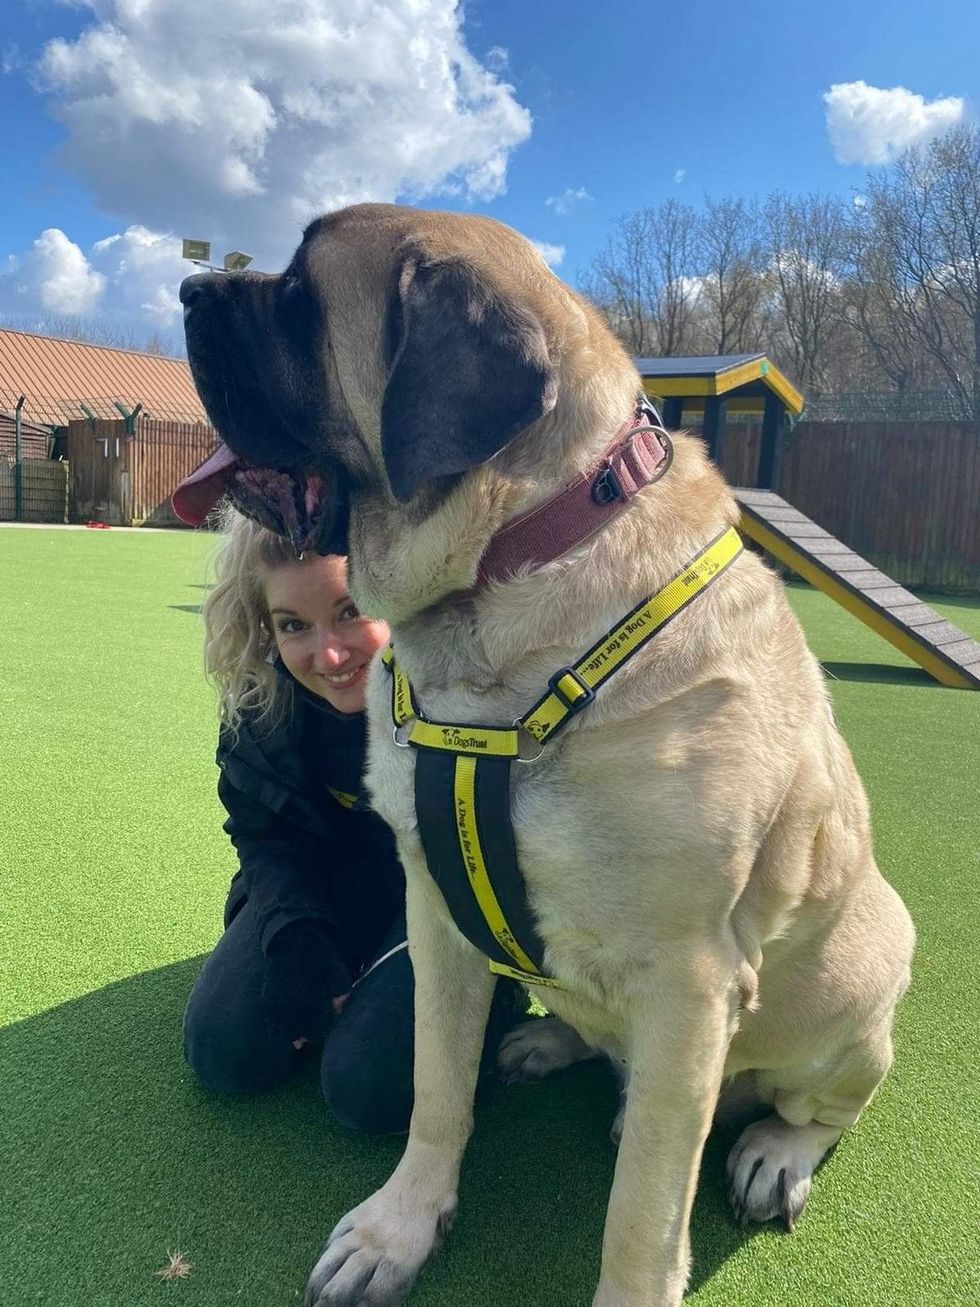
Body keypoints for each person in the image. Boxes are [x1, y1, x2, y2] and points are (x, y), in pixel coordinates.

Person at [182, 508, 518, 1133]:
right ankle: (347, 975)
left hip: (444, 908)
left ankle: (471, 1004)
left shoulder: (463, 697)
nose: (329, 654)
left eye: (350, 610)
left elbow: (492, 859)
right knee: (222, 1051)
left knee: (367, 1089)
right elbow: (265, 837)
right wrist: (294, 935)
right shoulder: (264, 707)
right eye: (293, 626)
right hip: (333, 892)